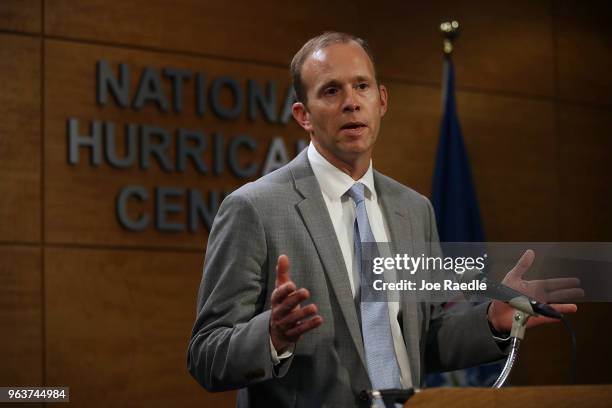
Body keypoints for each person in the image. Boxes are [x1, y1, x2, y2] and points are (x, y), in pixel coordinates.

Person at [187, 32, 578, 407]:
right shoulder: (253, 208)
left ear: (382, 100)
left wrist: (492, 319)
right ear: (303, 115)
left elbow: (421, 340)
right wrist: (272, 335)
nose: (351, 102)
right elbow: (206, 354)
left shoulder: (414, 209)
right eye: (330, 90)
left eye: (362, 86)